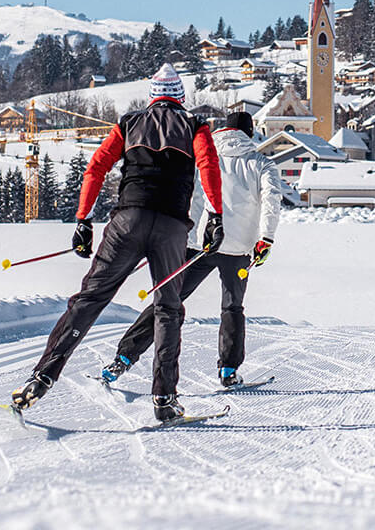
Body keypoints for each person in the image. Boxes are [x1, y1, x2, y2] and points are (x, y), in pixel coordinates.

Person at [10, 64, 223, 422]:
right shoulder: (195, 125)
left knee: (91, 299)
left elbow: (95, 168)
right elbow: (208, 166)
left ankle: (42, 376)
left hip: (127, 221)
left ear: (153, 95)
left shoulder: (129, 122)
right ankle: (165, 399)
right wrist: (215, 216)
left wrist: (83, 221)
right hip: (171, 227)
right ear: (181, 96)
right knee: (168, 309)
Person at [103, 110, 281, 389]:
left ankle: (124, 357)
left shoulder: (204, 158)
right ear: (249, 133)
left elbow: (185, 194)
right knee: (232, 307)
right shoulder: (262, 164)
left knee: (167, 301)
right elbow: (272, 201)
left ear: (223, 131)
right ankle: (228, 371)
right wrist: (265, 239)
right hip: (239, 251)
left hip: (200, 243)